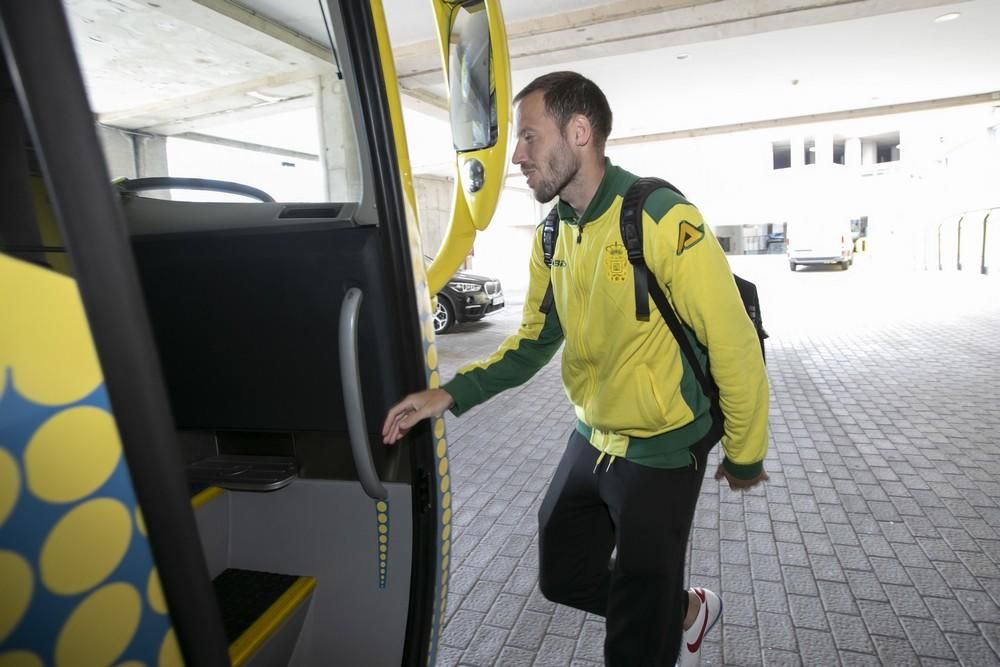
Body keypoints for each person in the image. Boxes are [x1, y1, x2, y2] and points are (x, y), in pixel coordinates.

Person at [383, 71, 769, 666]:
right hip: (591, 439)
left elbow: (733, 344)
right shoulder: (550, 236)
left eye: (530, 137)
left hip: (662, 450)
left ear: (580, 132)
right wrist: (451, 393)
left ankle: (657, 624)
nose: (517, 155)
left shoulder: (661, 217)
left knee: (634, 640)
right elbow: (536, 341)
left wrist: (745, 455)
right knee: (561, 575)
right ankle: (684, 610)